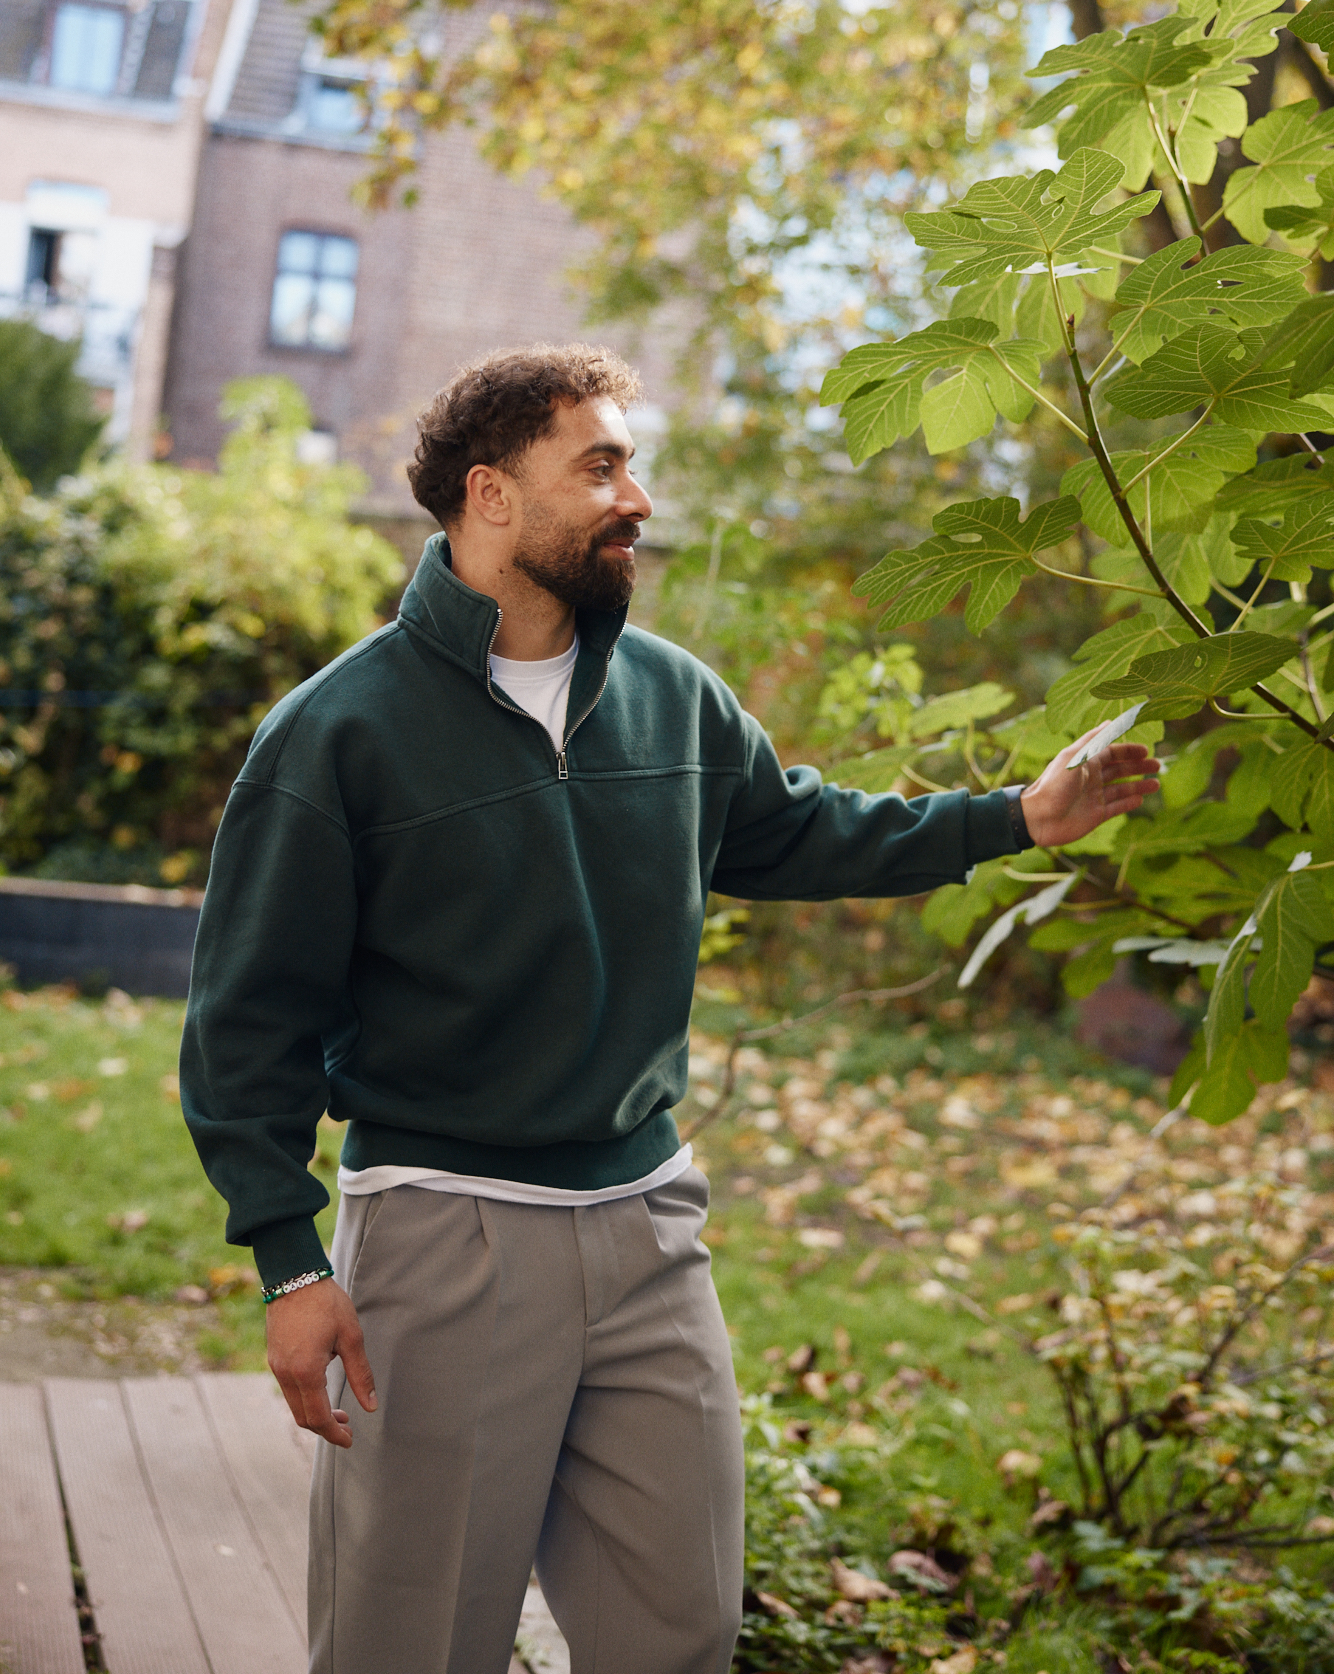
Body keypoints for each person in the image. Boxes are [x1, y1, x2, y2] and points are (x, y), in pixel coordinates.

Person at [181, 343, 1159, 1674]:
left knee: (677, 1628)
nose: (633, 497)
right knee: (408, 1641)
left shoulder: (671, 695)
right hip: (441, 1235)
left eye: (628, 463)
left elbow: (797, 832)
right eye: (599, 466)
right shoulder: (338, 732)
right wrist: (289, 1261)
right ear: (490, 496)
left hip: (646, 1231)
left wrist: (1013, 818)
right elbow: (248, 1021)